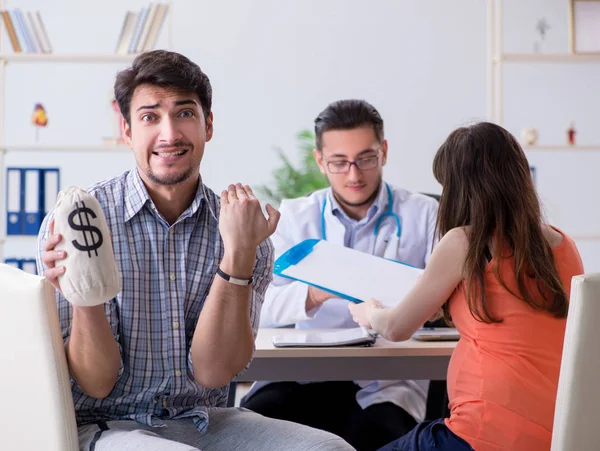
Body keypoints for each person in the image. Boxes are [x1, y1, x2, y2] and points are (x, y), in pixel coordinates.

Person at [36, 50, 353, 451]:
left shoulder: (239, 226)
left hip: (205, 421)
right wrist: (85, 289)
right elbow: (96, 383)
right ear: (128, 130)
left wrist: (238, 253)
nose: (169, 134)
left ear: (208, 124)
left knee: (330, 449)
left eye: (184, 113)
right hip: (106, 425)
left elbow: (214, 372)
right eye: (150, 117)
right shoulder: (78, 221)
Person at [348, 122, 585, 451]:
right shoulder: (563, 244)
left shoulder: (464, 242)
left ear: (461, 188)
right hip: (554, 434)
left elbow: (397, 327)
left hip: (483, 433)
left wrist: (369, 312)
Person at [241, 99, 440, 451]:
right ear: (320, 161)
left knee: (380, 435)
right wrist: (316, 292)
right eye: (339, 162)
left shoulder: (424, 214)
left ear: (384, 152)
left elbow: (444, 303)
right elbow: (259, 307)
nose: (354, 174)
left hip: (387, 378)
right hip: (304, 373)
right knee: (255, 422)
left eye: (366, 158)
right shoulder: (294, 217)